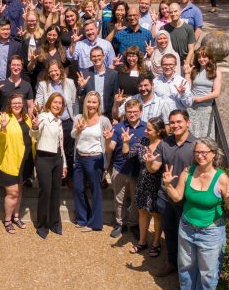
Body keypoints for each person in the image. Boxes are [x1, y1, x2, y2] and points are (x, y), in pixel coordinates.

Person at [163, 137, 229, 290]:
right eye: (197, 152)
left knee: (208, 270)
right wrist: (167, 185)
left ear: (213, 154)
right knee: (186, 264)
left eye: (204, 152)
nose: (200, 155)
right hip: (187, 227)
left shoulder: (222, 179)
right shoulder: (188, 172)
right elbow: (177, 197)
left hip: (211, 231)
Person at [144, 109, 197, 277]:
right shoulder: (165, 143)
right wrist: (148, 162)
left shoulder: (196, 145)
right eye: (172, 122)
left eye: (179, 122)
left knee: (187, 237)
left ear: (188, 122)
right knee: (170, 232)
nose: (175, 125)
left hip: (186, 200)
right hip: (166, 197)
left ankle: (186, 270)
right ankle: (172, 263)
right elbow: (154, 169)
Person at [71, 91, 113, 232]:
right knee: (77, 188)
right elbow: (73, 135)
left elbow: (109, 141)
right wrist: (77, 129)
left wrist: (107, 162)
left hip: (95, 159)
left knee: (96, 191)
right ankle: (83, 218)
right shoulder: (78, 117)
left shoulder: (104, 120)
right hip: (80, 157)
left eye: (94, 102)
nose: (91, 104)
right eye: (89, 101)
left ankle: (95, 223)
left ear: (98, 104)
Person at [125, 117, 166, 256]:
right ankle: (142, 242)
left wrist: (149, 161)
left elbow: (153, 169)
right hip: (143, 181)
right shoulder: (143, 142)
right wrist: (125, 143)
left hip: (157, 183)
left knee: (156, 214)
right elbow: (128, 154)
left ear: (159, 131)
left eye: (149, 129)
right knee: (142, 211)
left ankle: (156, 243)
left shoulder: (164, 145)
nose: (146, 131)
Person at [106, 98, 147, 239]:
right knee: (119, 199)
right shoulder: (118, 127)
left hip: (138, 171)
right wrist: (107, 139)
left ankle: (134, 224)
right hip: (120, 169)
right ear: (125, 112)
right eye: (129, 112)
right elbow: (110, 147)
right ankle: (120, 223)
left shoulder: (147, 128)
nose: (132, 114)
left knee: (136, 200)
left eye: (135, 111)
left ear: (141, 112)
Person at [0, 94, 35, 234]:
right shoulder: (4, 117)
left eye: (19, 103)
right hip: (9, 160)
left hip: (26, 160)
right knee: (12, 193)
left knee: (19, 190)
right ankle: (7, 219)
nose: (17, 105)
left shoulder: (26, 118)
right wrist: (3, 128)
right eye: (14, 103)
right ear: (9, 105)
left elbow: (32, 136)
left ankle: (16, 216)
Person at [30, 92, 67, 239]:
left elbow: (61, 145)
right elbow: (34, 135)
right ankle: (42, 225)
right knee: (45, 192)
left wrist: (64, 163)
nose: (57, 105)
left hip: (57, 159)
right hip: (44, 158)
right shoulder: (43, 117)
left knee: (56, 192)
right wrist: (34, 127)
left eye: (60, 103)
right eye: (55, 102)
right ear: (49, 103)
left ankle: (55, 223)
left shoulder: (59, 121)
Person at [35, 60, 78, 182]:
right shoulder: (43, 84)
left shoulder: (69, 82)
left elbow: (74, 102)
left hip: (66, 121)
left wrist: (74, 119)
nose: (54, 73)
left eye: (55, 70)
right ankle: (54, 176)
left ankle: (67, 176)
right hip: (50, 122)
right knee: (55, 149)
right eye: (51, 71)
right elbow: (39, 101)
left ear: (61, 70)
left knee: (68, 151)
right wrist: (38, 107)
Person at [185, 47, 222, 138]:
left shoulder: (216, 72)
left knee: (205, 136)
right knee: (191, 135)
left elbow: (216, 93)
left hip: (206, 108)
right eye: (199, 57)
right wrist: (186, 74)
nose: (201, 59)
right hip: (192, 107)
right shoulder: (194, 70)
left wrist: (200, 99)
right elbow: (188, 88)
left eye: (204, 57)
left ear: (210, 58)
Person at [76, 47, 119, 119]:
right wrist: (82, 87)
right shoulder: (85, 73)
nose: (96, 58)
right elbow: (79, 94)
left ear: (104, 56)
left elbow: (116, 97)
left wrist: (114, 117)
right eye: (94, 56)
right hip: (90, 115)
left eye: (99, 56)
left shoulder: (113, 74)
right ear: (90, 58)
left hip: (107, 115)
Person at [0, 55, 34, 119]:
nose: (16, 67)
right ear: (9, 66)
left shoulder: (27, 85)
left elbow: (30, 106)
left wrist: (30, 123)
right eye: (13, 65)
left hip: (22, 122)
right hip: (5, 122)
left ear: (21, 67)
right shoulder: (1, 84)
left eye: (18, 65)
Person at [164, 3, 196, 67]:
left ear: (180, 11)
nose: (173, 14)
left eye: (175, 11)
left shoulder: (188, 28)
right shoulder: (164, 28)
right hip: (170, 63)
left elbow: (191, 49)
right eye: (171, 12)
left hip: (184, 62)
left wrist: (186, 63)